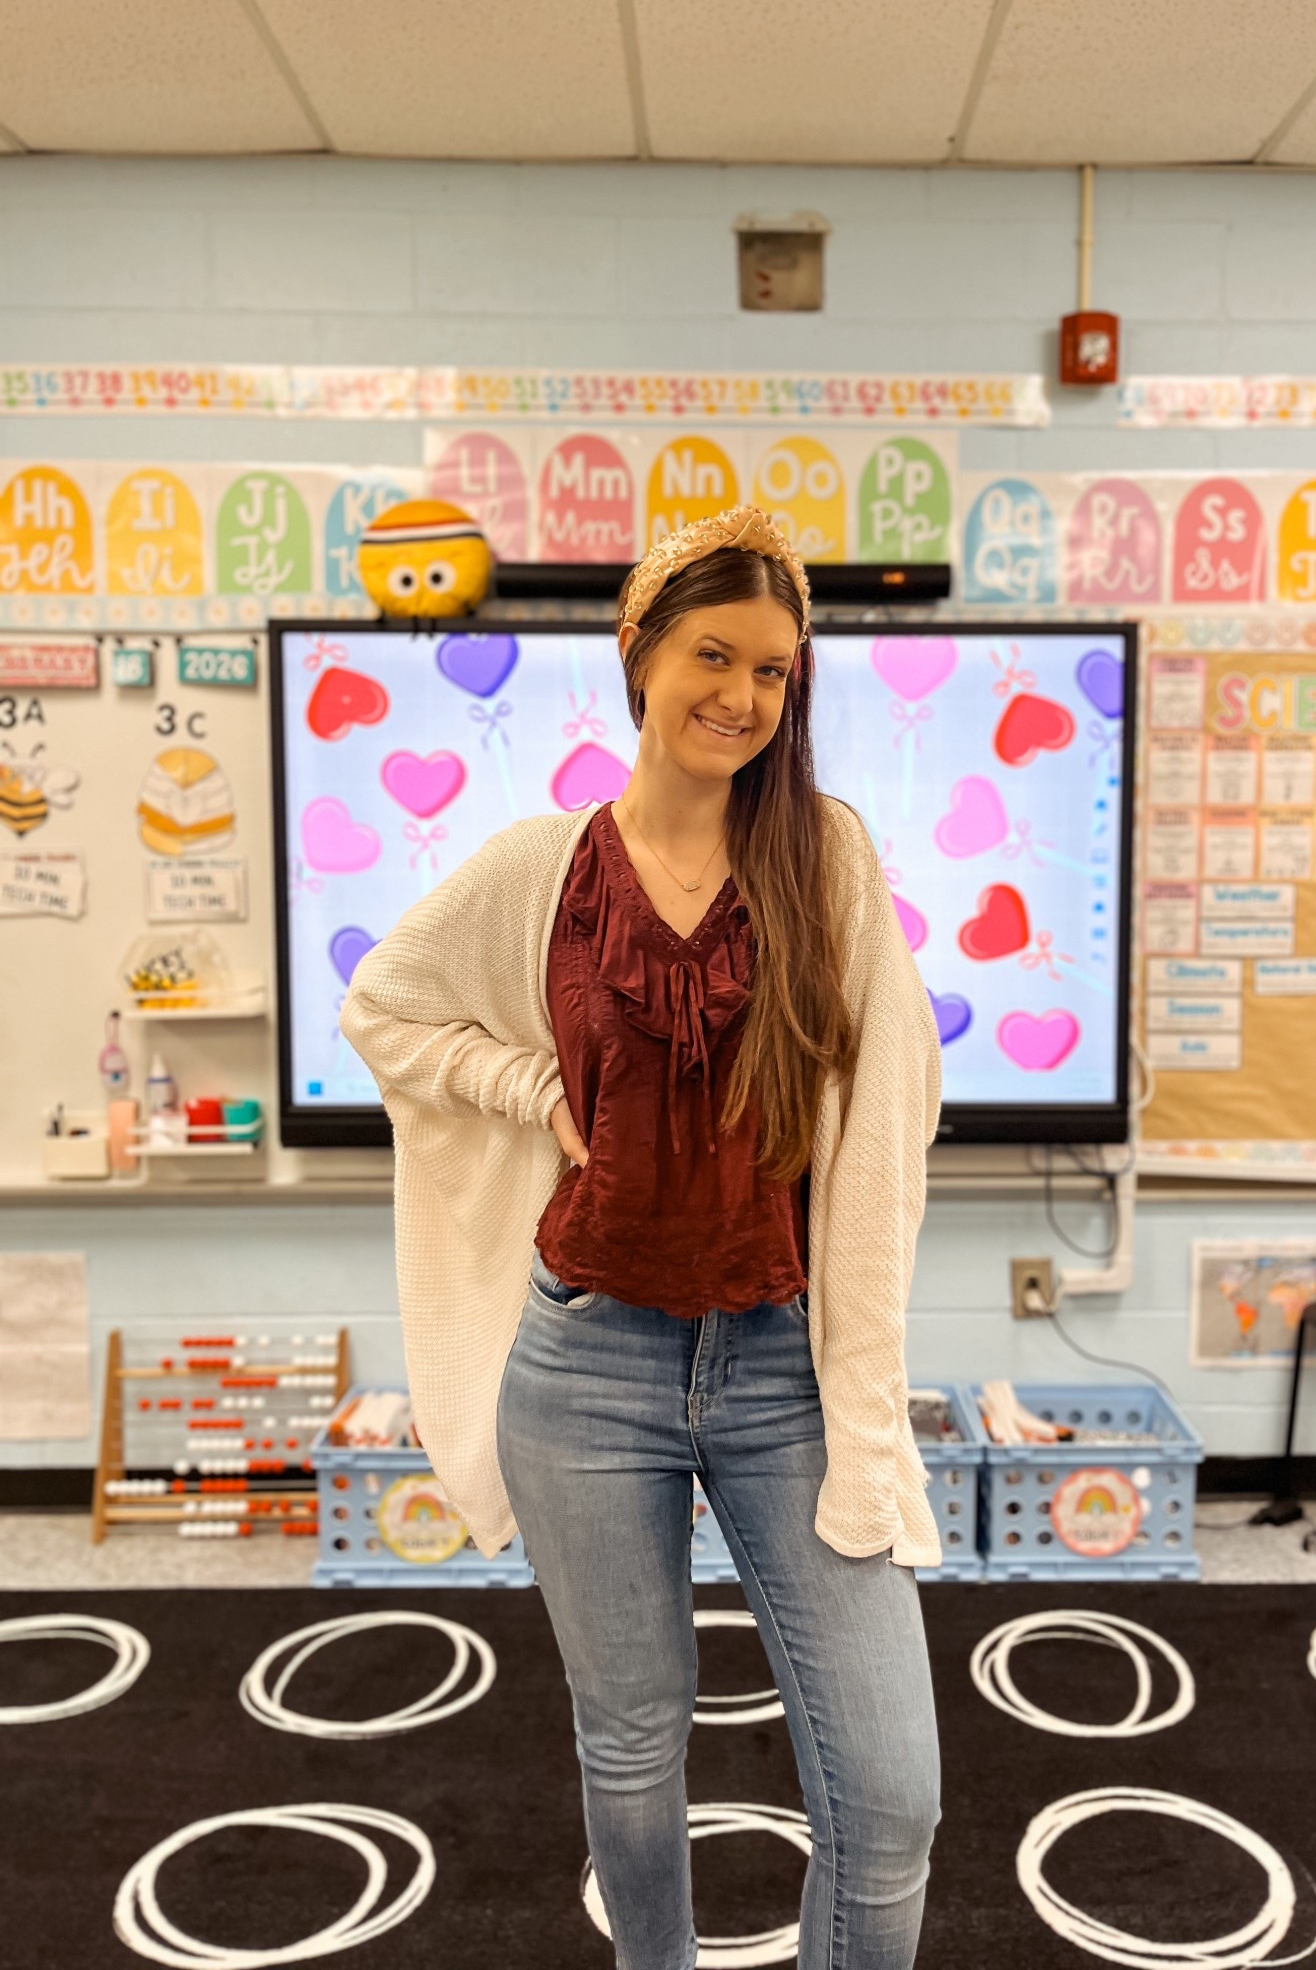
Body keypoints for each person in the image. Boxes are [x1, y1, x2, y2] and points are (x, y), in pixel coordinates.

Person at [340, 503, 945, 1970]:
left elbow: (879, 1149)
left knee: (892, 1794)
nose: (743, 696)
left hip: (782, 1369)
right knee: (631, 1749)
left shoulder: (826, 863)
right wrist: (529, 1083)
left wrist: (867, 1413)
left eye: (776, 673)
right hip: (586, 1363)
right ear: (640, 653)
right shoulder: (544, 867)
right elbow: (387, 1008)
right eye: (714, 655)